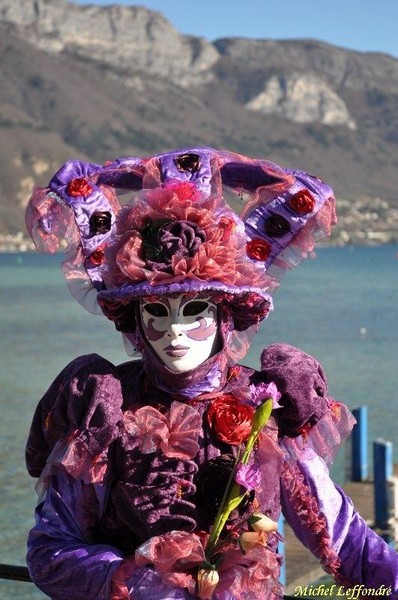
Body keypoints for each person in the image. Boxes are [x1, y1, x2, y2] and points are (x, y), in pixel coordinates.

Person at [24, 147, 398, 600]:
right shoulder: (107, 408)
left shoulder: (265, 403)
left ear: (226, 317)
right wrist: (136, 582)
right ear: (135, 322)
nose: (175, 330)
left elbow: (346, 542)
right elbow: (52, 549)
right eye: (157, 311)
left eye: (194, 310)